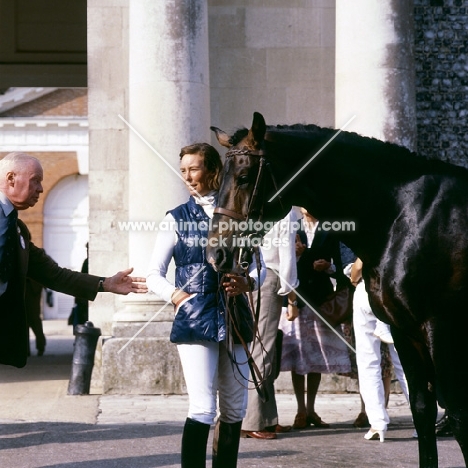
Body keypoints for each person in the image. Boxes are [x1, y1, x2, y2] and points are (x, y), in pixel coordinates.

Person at [146, 143, 266, 468]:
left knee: (235, 408)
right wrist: (178, 297)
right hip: (195, 320)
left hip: (236, 317)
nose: (187, 176)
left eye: (193, 169)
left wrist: (249, 282)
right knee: (201, 408)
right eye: (183, 170)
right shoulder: (176, 218)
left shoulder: (239, 214)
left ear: (213, 170)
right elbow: (153, 275)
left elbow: (260, 266)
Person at [0, 152, 148, 369]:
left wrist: (104, 283)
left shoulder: (18, 230)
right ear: (11, 179)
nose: (41, 188)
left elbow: (54, 275)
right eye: (36, 181)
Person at [279, 211, 351, 430]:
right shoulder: (292, 228)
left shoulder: (331, 229)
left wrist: (327, 267)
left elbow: (342, 270)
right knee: (298, 357)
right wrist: (297, 256)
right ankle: (300, 410)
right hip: (297, 300)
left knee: (316, 358)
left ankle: (311, 409)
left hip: (321, 301)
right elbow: (284, 266)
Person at [240, 208, 300, 440]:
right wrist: (291, 294)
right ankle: (252, 420)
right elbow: (287, 255)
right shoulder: (284, 213)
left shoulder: (254, 210)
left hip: (251, 277)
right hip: (269, 277)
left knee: (263, 347)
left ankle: (267, 417)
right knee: (262, 349)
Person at [350, 257, 410, 442]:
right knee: (405, 360)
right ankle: (421, 418)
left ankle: (377, 423)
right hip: (395, 290)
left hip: (366, 291)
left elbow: (356, 271)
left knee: (368, 361)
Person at [25, 277, 46, 356]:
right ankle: (28, 349)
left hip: (32, 287)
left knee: (34, 320)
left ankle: (40, 346)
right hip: (30, 286)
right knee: (28, 321)